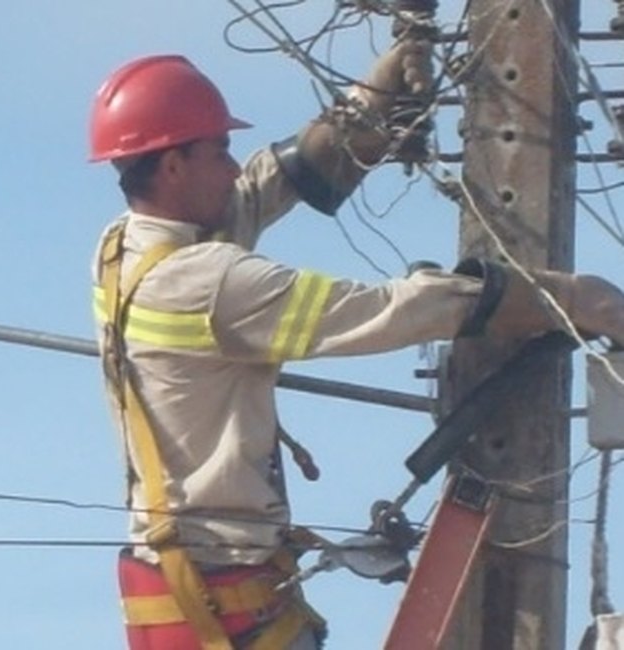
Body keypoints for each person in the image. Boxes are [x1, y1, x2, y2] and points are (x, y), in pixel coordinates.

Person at [87, 40, 624, 650]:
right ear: (173, 167)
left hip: (190, 590)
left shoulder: (123, 251)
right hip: (227, 602)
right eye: (219, 150)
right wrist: (578, 300)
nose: (234, 166)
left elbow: (257, 190)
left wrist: (371, 102)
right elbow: (391, 312)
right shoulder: (210, 285)